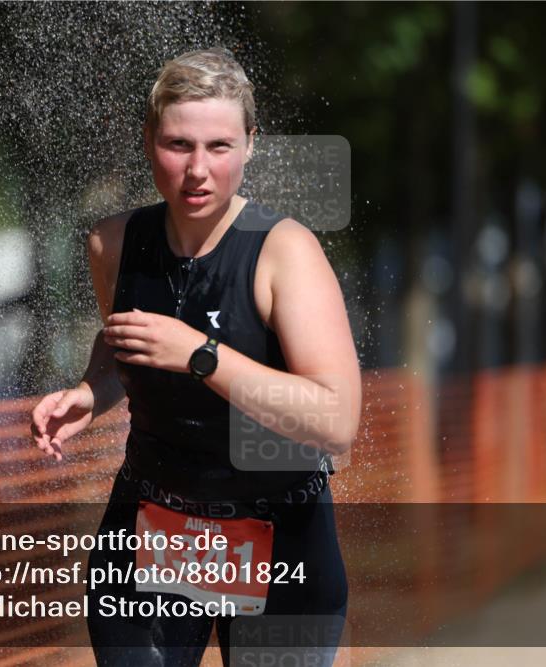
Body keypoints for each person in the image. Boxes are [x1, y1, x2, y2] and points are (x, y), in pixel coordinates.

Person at [30, 47, 361, 667]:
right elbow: (125, 342)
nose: (199, 170)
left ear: (251, 144)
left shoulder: (284, 252)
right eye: (179, 145)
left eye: (220, 146)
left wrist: (202, 357)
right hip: (152, 522)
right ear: (148, 139)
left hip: (280, 530)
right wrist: (89, 392)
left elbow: (336, 418)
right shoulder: (112, 243)